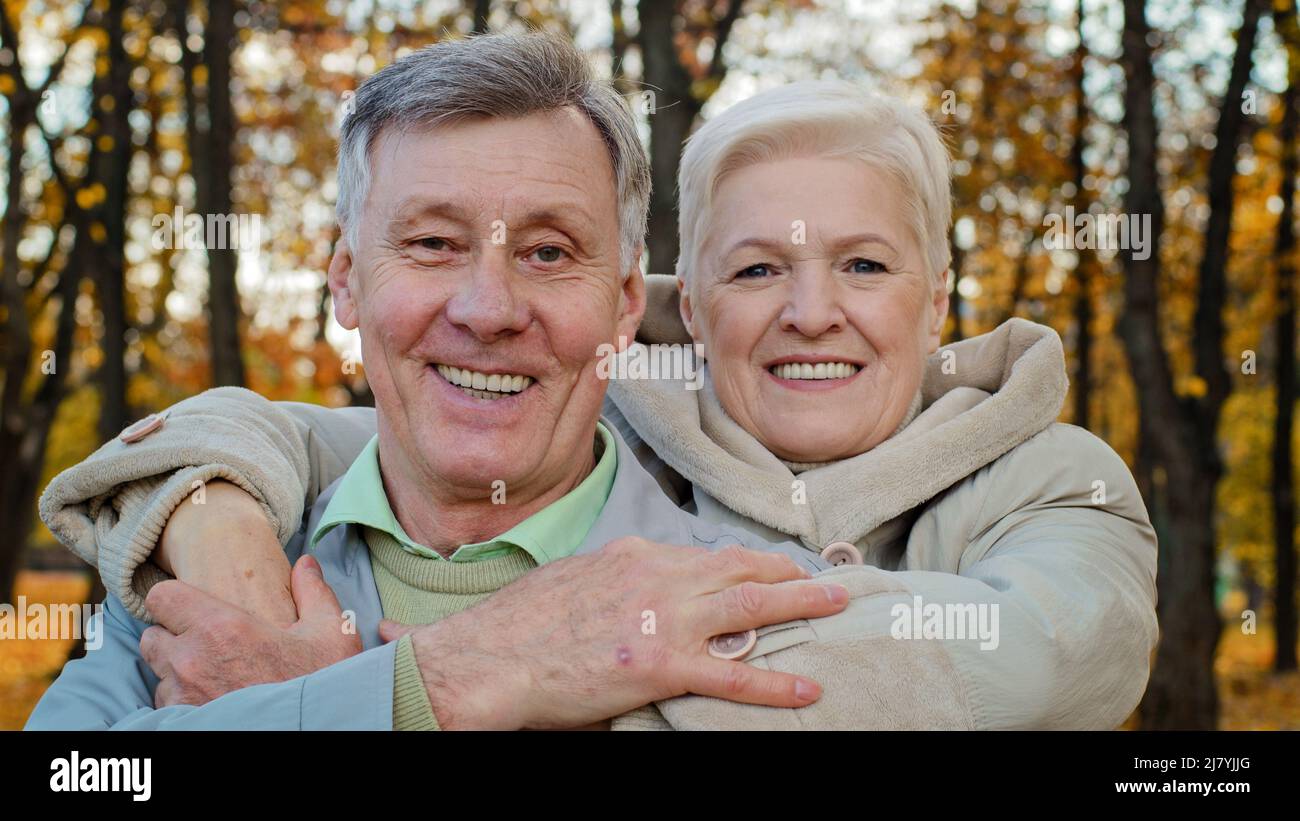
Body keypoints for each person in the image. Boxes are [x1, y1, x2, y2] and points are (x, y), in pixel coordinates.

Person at [34, 42, 1159, 730]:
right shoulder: (216, 571)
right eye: (428, 243)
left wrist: (348, 699)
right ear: (342, 278)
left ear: (625, 302)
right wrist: (202, 492)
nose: (486, 307)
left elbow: (1051, 651)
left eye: (546, 251)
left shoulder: (725, 584)